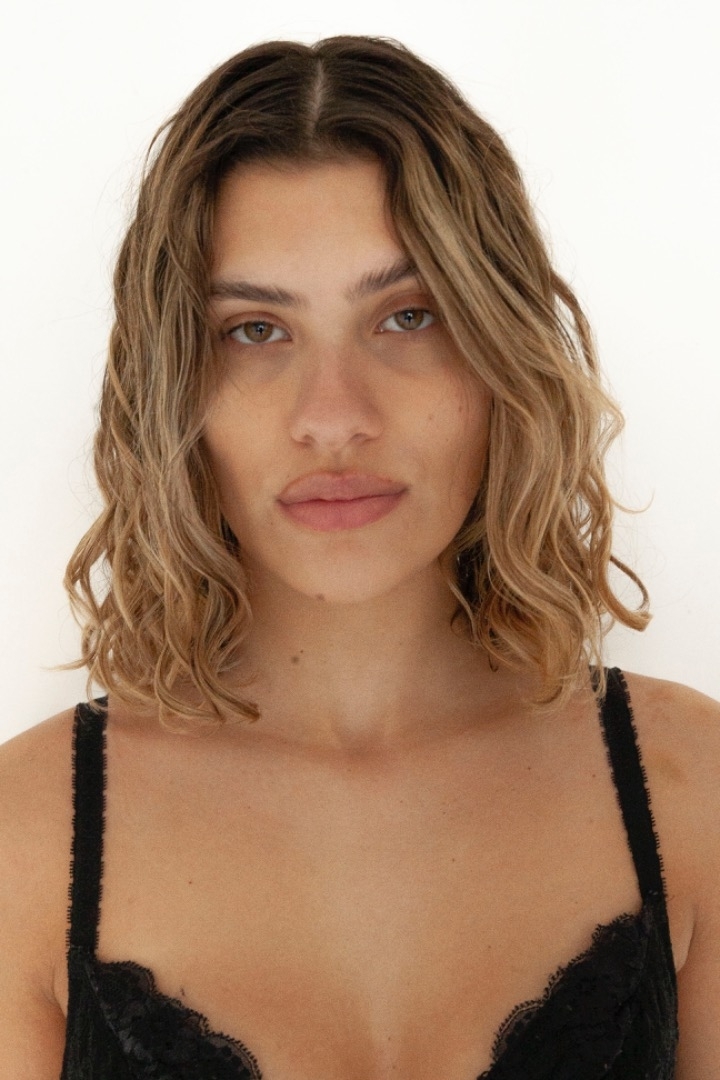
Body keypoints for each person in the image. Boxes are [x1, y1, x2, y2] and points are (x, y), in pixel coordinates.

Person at [0, 33, 717, 1080]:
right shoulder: (26, 841)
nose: (334, 418)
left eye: (407, 316)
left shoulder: (692, 791)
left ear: (502, 349)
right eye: (255, 330)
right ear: (171, 385)